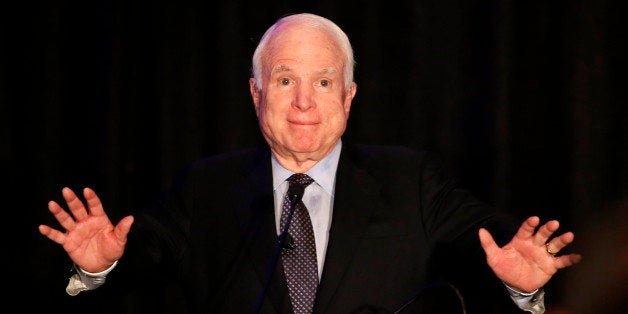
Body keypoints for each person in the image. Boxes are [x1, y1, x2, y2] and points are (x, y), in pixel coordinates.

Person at [38, 13, 581, 314]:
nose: (303, 102)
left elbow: (490, 246)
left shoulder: (411, 180)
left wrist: (523, 287)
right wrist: (97, 267)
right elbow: (140, 259)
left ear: (348, 98)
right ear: (255, 94)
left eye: (323, 83)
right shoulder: (205, 188)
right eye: (284, 80)